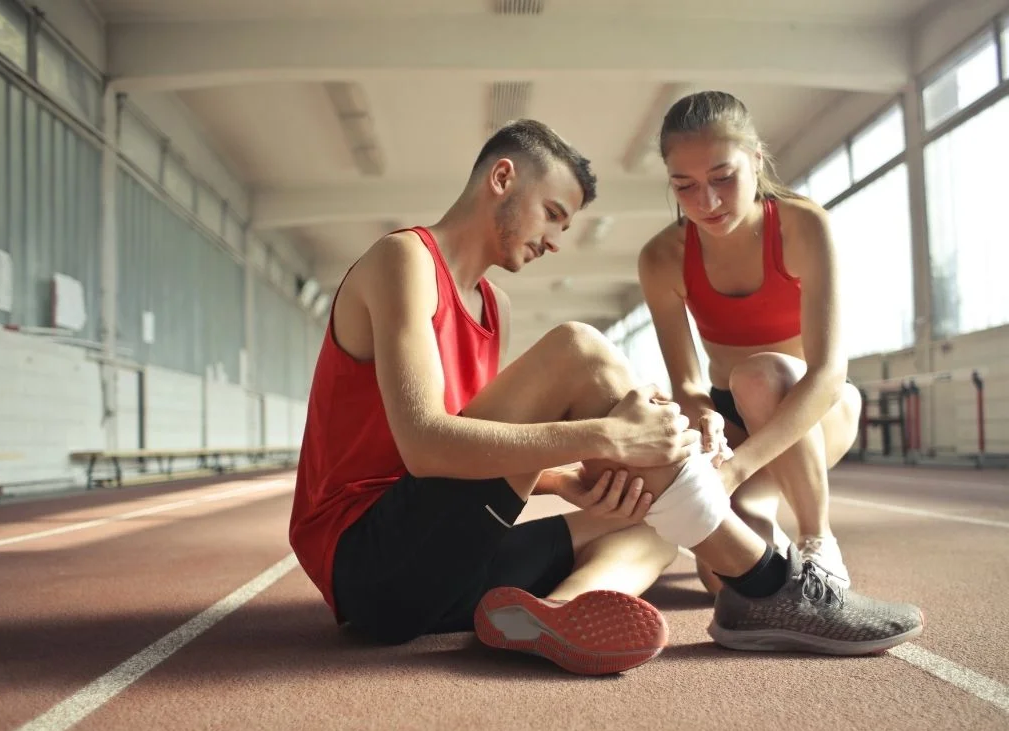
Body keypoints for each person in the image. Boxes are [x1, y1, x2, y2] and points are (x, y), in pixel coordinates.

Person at [289, 119, 923, 678]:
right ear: (503, 178)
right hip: (370, 565)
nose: (557, 241)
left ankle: (558, 613)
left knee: (652, 515)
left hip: (438, 574)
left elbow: (471, 458)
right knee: (578, 348)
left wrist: (568, 480)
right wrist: (605, 438)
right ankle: (767, 582)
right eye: (554, 214)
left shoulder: (494, 306)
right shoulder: (404, 260)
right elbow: (426, 448)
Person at [639, 91, 862, 594]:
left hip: (815, 408)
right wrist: (705, 420)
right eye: (685, 186)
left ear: (756, 160)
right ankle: (765, 523)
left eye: (723, 178)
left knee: (760, 375)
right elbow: (689, 382)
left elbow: (828, 374)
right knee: (726, 580)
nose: (707, 202)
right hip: (733, 419)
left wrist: (737, 469)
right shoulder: (662, 258)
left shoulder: (805, 226)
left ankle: (816, 538)